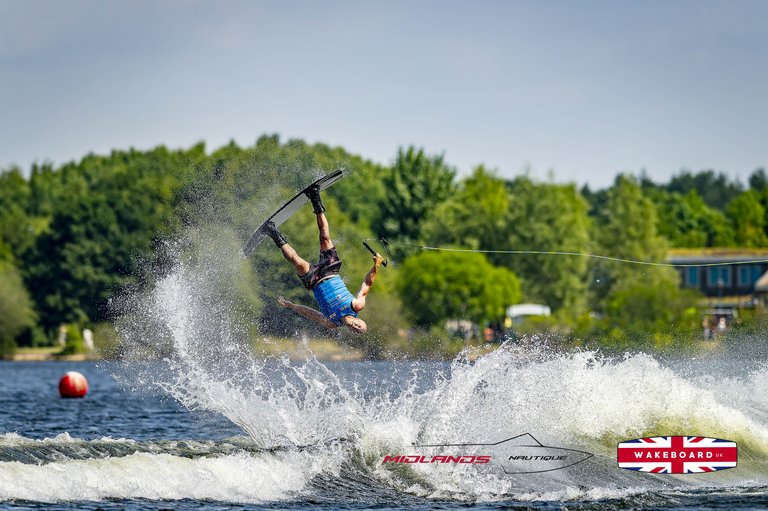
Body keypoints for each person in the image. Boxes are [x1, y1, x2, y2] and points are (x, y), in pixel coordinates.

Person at [263, 184, 383, 333]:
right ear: (358, 320)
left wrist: (291, 305)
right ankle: (315, 197)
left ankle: (272, 230)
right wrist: (376, 266)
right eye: (358, 325)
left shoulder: (331, 323)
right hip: (330, 270)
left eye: (356, 330)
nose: (355, 327)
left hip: (313, 281)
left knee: (296, 261)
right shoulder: (356, 305)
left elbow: (311, 313)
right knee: (325, 238)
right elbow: (367, 283)